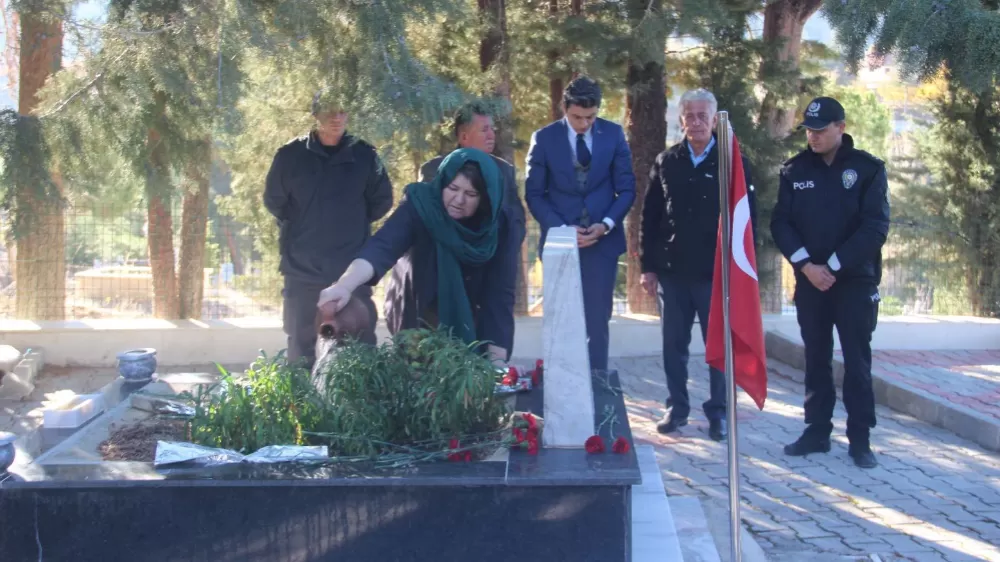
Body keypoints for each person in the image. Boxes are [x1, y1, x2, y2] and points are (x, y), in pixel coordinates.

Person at [770, 96, 890, 469]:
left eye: (821, 130)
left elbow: (875, 227)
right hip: (810, 280)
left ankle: (860, 439)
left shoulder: (867, 169)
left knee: (856, 361)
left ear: (841, 127)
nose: (814, 136)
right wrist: (806, 265)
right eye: (809, 129)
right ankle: (817, 431)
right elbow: (781, 223)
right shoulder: (794, 170)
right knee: (816, 357)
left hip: (853, 279)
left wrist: (833, 265)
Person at [317, 148, 519, 364]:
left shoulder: (499, 226)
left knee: (471, 382)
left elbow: (500, 293)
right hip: (418, 311)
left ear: (485, 198)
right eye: (452, 188)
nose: (459, 199)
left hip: (472, 319)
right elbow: (382, 247)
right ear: (442, 183)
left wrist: (496, 363)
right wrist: (345, 285)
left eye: (471, 194)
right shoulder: (420, 206)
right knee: (418, 379)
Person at [639, 88, 758, 442]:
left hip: (715, 273)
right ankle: (676, 408)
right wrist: (648, 266)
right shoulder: (666, 161)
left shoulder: (730, 160)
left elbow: (746, 215)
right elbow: (650, 216)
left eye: (703, 115)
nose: (696, 122)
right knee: (673, 345)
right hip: (673, 273)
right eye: (689, 115)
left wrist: (739, 270)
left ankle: (718, 412)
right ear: (681, 120)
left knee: (717, 348)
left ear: (715, 119)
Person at [263, 93, 393, 370]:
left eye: (342, 110)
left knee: (359, 354)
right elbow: (275, 202)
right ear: (315, 114)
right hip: (302, 271)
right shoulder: (290, 156)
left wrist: (348, 224)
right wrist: (306, 226)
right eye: (329, 110)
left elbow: (382, 201)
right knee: (301, 353)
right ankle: (301, 410)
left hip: (351, 272)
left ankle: (358, 412)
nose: (336, 117)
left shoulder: (366, 156)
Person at [524, 76, 636, 371]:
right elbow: (534, 194)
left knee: (598, 320)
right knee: (562, 319)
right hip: (560, 245)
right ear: (564, 108)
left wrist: (606, 224)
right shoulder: (544, 139)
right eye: (577, 117)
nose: (584, 123)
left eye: (590, 117)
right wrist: (561, 230)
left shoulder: (614, 135)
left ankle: (597, 384)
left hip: (602, 244)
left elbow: (626, 189)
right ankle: (564, 388)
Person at [420, 102, 526, 246]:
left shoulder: (505, 171)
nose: (491, 135)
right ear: (464, 137)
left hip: (492, 257)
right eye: (484, 130)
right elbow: (425, 220)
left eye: (492, 129)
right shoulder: (433, 170)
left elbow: (517, 220)